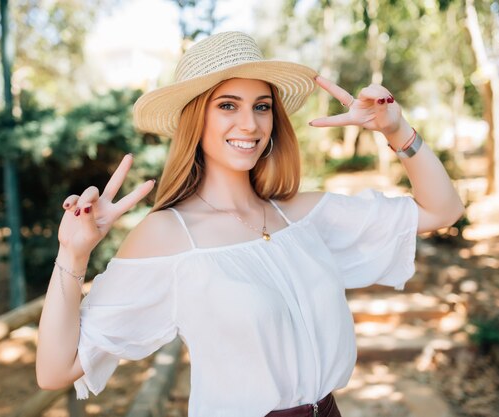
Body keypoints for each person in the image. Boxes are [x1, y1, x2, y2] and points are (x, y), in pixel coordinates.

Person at [35, 31, 464, 417]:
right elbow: (55, 371)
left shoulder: (300, 215)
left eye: (262, 107)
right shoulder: (167, 236)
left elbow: (442, 211)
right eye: (227, 105)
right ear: (195, 119)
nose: (250, 124)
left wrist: (397, 131)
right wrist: (72, 253)